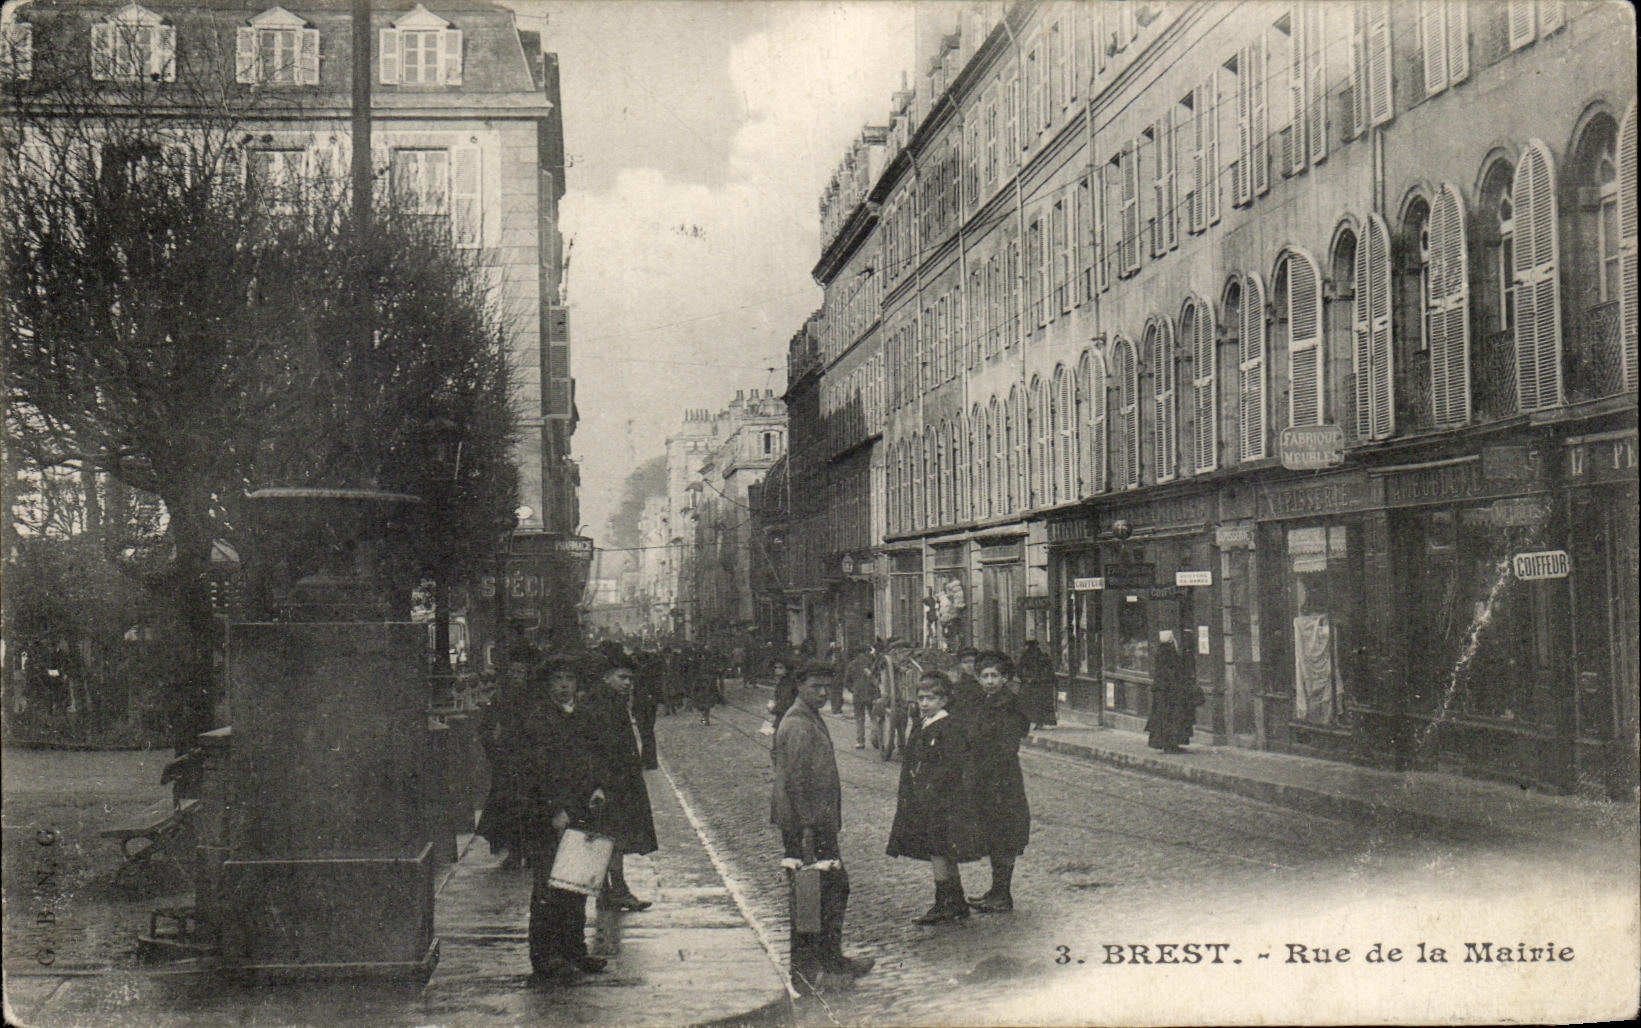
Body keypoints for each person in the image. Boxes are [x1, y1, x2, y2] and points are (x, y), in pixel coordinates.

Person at [770, 664, 875, 994]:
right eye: (816, 686)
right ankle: (807, 971)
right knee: (810, 896)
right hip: (807, 823)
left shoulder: (807, 717)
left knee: (831, 890)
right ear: (799, 683)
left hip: (814, 820)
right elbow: (796, 782)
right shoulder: (798, 724)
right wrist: (807, 829)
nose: (823, 693)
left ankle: (830, 960)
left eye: (827, 687)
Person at [514, 655, 614, 982]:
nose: (563, 685)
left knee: (576, 884)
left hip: (582, 811)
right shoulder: (538, 720)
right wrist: (554, 809)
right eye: (557, 679)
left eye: (569, 679)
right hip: (549, 817)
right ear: (547, 684)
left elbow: (597, 756)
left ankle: (574, 950)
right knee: (548, 888)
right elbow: (536, 771)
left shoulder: (584, 716)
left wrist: (598, 786)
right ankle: (545, 956)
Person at [886, 671, 977, 924]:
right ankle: (956, 900)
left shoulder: (949, 727)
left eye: (931, 698)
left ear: (944, 700)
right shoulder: (923, 724)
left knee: (939, 850)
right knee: (943, 849)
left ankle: (943, 901)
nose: (924, 703)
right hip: (926, 798)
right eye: (921, 698)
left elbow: (954, 763)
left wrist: (932, 786)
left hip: (943, 800)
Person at [583, 654, 659, 912]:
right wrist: (599, 784)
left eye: (631, 679)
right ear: (606, 677)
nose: (628, 683)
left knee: (611, 837)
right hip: (609, 783)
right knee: (610, 837)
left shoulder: (611, 700)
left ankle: (609, 890)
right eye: (622, 677)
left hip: (617, 781)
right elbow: (598, 747)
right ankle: (614, 890)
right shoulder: (602, 704)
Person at [966, 652, 1031, 913]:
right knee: (994, 834)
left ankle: (1003, 895)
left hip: (1001, 779)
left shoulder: (1009, 706)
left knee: (1004, 835)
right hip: (986, 777)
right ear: (978, 679)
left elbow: (1007, 745)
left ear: (1005, 678)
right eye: (985, 676)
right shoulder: (985, 702)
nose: (990, 681)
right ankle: (995, 890)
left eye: (995, 676)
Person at [1145, 629, 1202, 753]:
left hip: (1162, 694)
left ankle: (1167, 744)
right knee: (1173, 719)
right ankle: (1171, 745)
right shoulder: (1169, 653)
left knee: (1164, 719)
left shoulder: (1160, 652)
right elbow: (1174, 673)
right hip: (1171, 694)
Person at [1016, 639, 1058, 730]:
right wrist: (1053, 681)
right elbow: (1050, 670)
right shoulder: (1043, 656)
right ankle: (1040, 722)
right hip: (1042, 683)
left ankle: (1035, 722)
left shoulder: (1026, 656)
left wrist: (1025, 679)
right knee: (1040, 703)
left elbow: (1019, 669)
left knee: (1031, 703)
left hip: (1032, 684)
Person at [846, 643, 881, 750]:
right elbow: (878, 678)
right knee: (874, 717)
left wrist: (853, 690)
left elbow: (847, 681)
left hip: (858, 695)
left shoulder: (852, 664)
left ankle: (860, 741)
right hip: (871, 693)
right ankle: (875, 738)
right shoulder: (872, 664)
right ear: (865, 652)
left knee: (859, 718)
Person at [948, 648, 985, 719]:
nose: (969, 665)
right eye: (965, 662)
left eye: (972, 662)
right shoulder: (957, 684)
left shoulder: (983, 681)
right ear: (960, 665)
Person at [765, 657, 796, 740]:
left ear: (787, 669)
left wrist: (773, 708)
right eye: (775, 668)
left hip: (787, 717)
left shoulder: (789, 683)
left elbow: (785, 701)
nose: (777, 670)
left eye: (781, 668)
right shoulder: (783, 681)